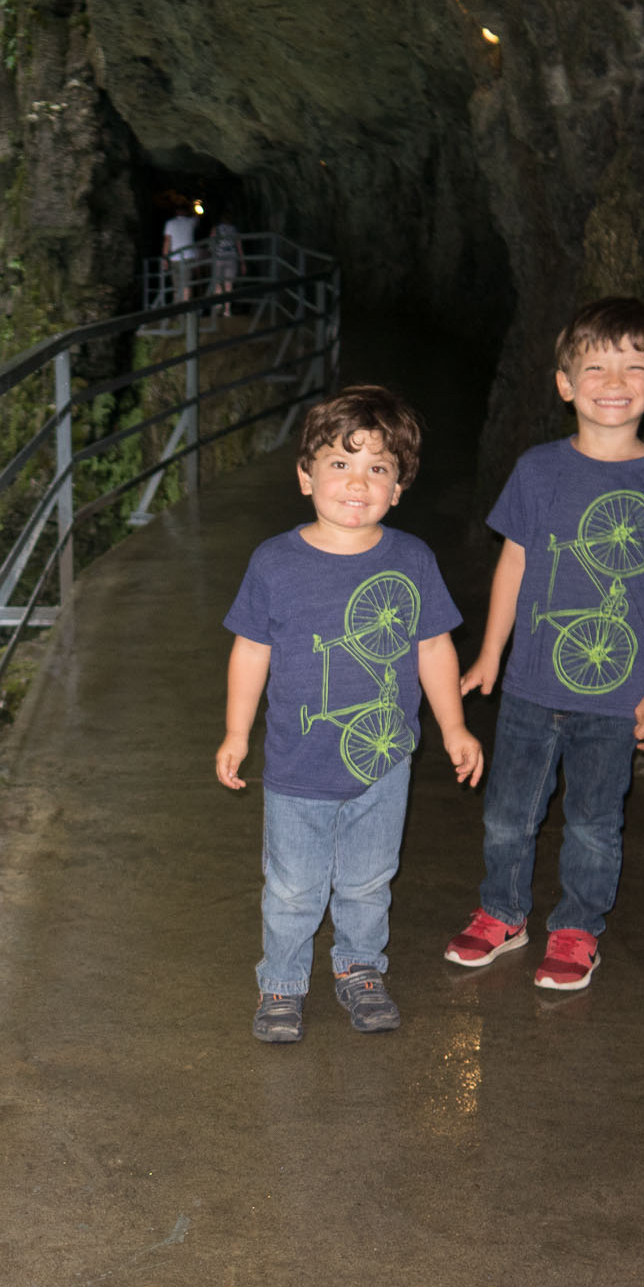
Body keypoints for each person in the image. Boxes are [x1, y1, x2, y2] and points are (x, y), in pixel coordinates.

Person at [445, 297, 644, 991]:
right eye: (595, 367)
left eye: (634, 367)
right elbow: (514, 564)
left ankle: (576, 928)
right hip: (530, 684)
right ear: (565, 384)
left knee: (594, 822)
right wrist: (491, 653)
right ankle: (502, 912)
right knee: (508, 815)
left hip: (616, 695)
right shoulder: (538, 470)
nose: (614, 382)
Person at [217, 385, 485, 1042]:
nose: (358, 482)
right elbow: (251, 650)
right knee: (292, 888)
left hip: (384, 761)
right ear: (305, 475)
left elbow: (433, 647)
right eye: (340, 462)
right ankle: (282, 983)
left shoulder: (412, 559)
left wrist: (454, 726)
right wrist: (236, 732)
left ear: (399, 488)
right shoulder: (274, 562)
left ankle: (361, 968)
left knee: (368, 880)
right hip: (296, 765)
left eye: (378, 468)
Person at [161, 200, 200, 303]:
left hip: (175, 258)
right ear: (186, 212)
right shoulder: (190, 222)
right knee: (186, 284)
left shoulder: (170, 223)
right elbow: (198, 217)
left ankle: (178, 306)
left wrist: (165, 258)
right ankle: (185, 307)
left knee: (177, 285)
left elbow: (167, 241)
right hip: (188, 257)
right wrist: (196, 206)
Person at [209, 210, 243, 315]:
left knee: (218, 283)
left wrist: (212, 253)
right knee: (229, 285)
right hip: (231, 257)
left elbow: (211, 242)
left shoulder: (216, 228)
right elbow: (239, 246)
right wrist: (243, 262)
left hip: (219, 257)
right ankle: (227, 310)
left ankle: (218, 305)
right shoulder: (234, 229)